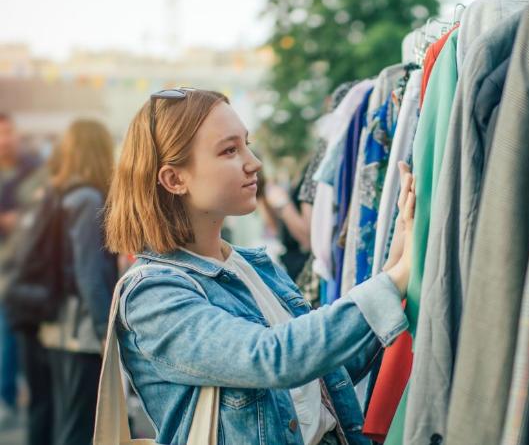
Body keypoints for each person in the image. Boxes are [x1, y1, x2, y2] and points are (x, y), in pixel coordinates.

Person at [104, 88, 415, 445]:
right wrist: (392, 282)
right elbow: (274, 357)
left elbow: (327, 372)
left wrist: (397, 258)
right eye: (229, 150)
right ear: (175, 179)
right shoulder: (152, 294)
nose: (254, 163)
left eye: (246, 145)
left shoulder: (253, 266)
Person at [36, 119, 118, 444]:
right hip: (80, 329)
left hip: (58, 323)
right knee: (80, 424)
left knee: (67, 419)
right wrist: (104, 331)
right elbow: (89, 272)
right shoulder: (87, 199)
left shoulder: (62, 193)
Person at [0, 113, 45, 431]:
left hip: (23, 269)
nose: (7, 139)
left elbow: (43, 209)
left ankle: (9, 399)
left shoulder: (35, 169)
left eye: (10, 132)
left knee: (12, 336)